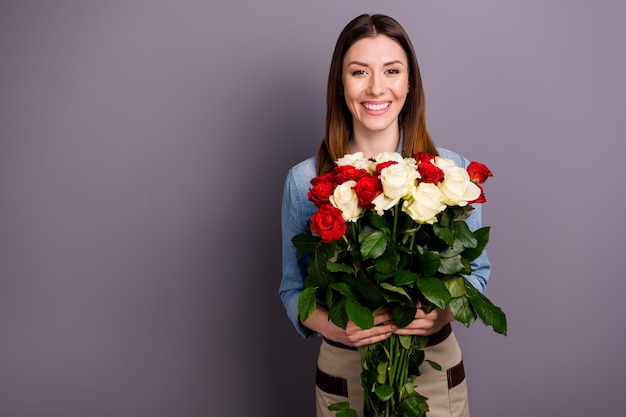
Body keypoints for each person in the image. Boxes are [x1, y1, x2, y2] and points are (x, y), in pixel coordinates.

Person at [279, 14, 490, 417]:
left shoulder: (452, 174)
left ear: (409, 84)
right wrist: (333, 326)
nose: (376, 87)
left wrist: (438, 312)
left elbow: (476, 274)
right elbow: (293, 290)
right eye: (359, 71)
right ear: (341, 85)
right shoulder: (305, 181)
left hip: (431, 373)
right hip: (344, 375)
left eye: (392, 71)